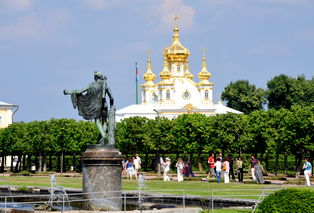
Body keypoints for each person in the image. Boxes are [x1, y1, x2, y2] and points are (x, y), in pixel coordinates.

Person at [64, 71, 114, 146]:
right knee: (104, 121)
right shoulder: (106, 85)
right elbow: (112, 97)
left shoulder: (91, 85)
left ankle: (103, 135)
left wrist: (68, 92)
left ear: (96, 77)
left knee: (97, 120)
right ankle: (103, 139)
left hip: (96, 106)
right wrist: (111, 105)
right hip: (104, 105)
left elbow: (79, 92)